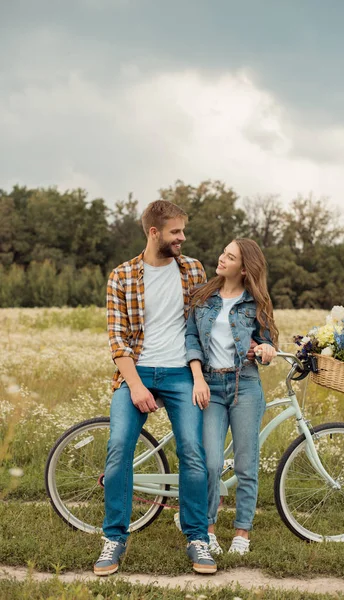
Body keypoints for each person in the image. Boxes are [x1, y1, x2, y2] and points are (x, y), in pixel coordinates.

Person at [94, 200, 217, 576]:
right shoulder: (122, 276)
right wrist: (134, 386)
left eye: (182, 231)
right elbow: (117, 340)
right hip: (138, 373)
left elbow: (208, 321)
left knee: (193, 452)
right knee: (118, 448)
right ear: (154, 233)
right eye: (175, 232)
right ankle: (114, 538)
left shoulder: (193, 270)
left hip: (181, 373)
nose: (183, 237)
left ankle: (197, 537)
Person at [185, 238, 278, 555]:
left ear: (244, 266)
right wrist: (198, 377)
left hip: (246, 386)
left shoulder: (257, 303)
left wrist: (266, 350)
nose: (221, 258)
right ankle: (208, 530)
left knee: (245, 465)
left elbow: (267, 345)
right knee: (210, 463)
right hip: (209, 385)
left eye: (230, 256)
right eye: (223, 251)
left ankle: (242, 533)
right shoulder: (203, 297)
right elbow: (191, 339)